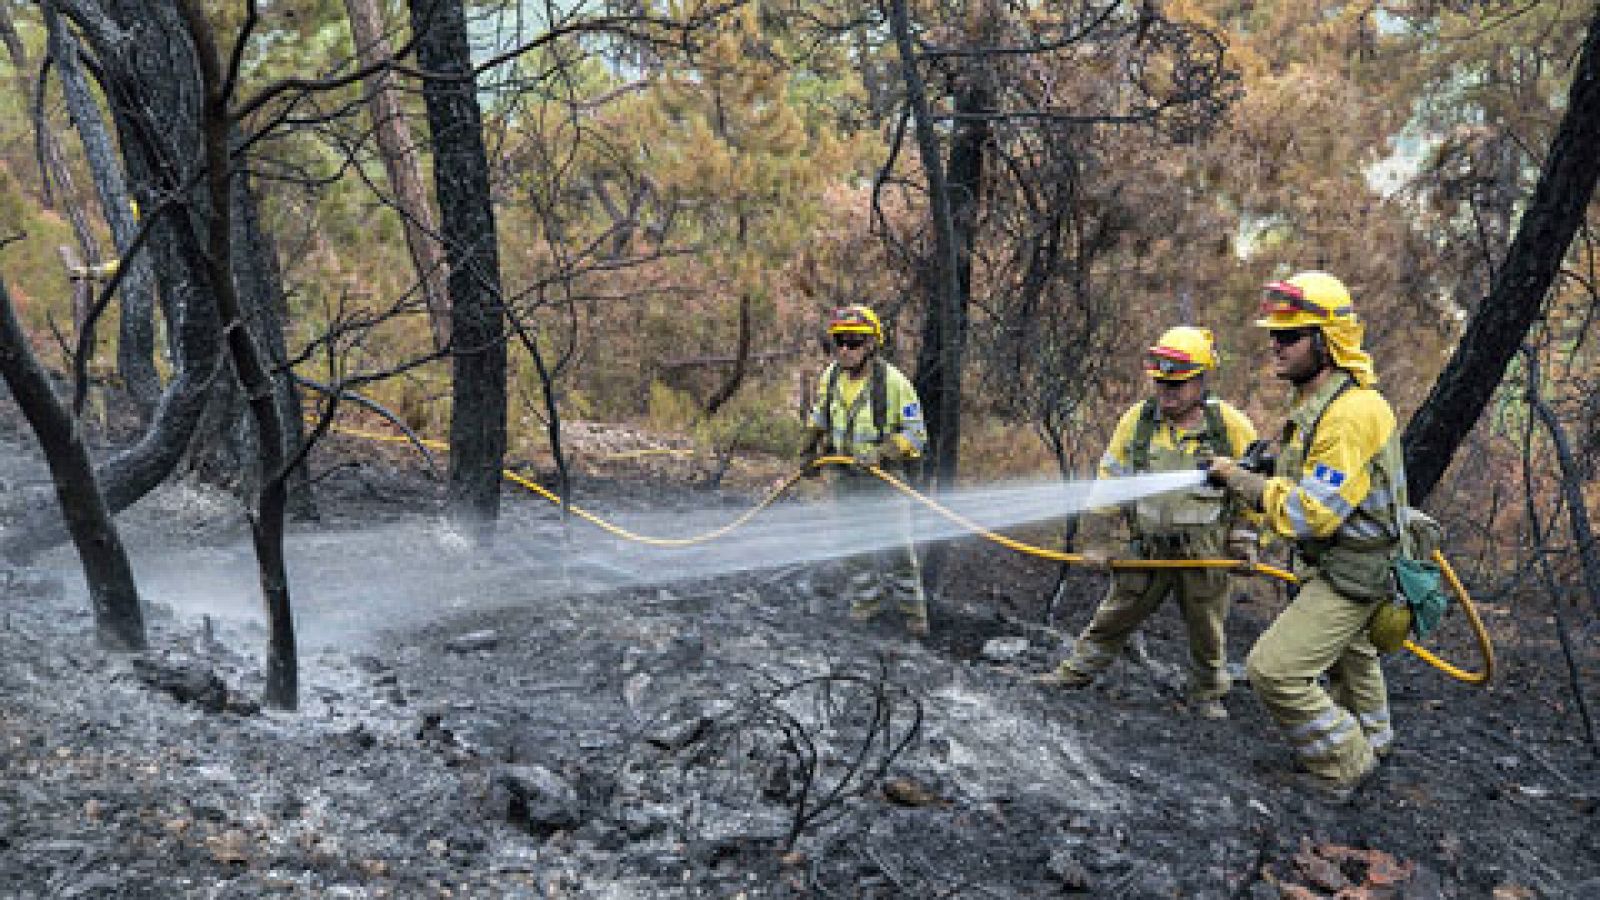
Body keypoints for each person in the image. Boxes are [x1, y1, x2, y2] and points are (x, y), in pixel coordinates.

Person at [1205, 271, 1405, 802]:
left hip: (1353, 570)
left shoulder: (1351, 415)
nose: (1276, 344)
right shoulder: (1325, 405)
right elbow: (1315, 479)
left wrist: (1238, 479)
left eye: (1289, 336)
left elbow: (1307, 515)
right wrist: (1269, 464)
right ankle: (1375, 738)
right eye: (1274, 334)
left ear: (1327, 341)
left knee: (1273, 671)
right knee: (1352, 655)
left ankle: (1347, 765)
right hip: (1343, 561)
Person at [1036, 326, 1259, 719]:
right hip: (1148, 546)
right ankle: (1075, 673)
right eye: (1160, 383)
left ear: (1202, 379)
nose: (1166, 392)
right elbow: (1110, 481)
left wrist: (1244, 541)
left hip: (1204, 552)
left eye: (1177, 383)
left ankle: (1207, 692)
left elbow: (1253, 489)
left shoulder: (1230, 427)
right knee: (1115, 613)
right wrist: (1102, 539)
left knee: (1207, 627)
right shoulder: (1136, 423)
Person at [799, 304, 930, 637]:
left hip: (884, 481)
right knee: (853, 545)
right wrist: (808, 448)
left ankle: (914, 617)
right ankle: (867, 604)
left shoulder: (894, 384)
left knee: (899, 548)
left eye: (854, 342)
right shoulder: (831, 377)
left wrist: (883, 452)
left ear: (871, 344)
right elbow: (820, 415)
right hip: (845, 476)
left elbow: (917, 433)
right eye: (838, 341)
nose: (844, 349)